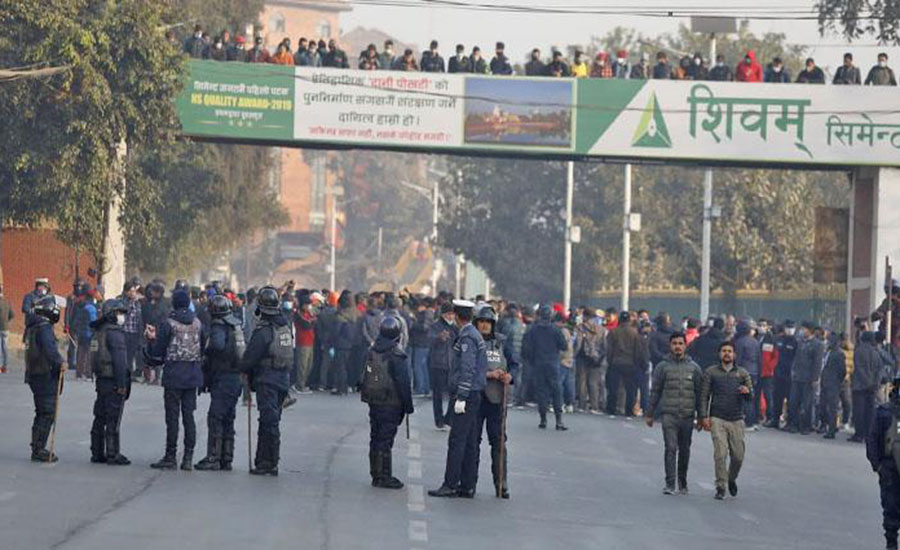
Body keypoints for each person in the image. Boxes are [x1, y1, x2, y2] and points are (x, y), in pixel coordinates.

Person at [428, 300, 488, 498]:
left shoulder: (467, 337)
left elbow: (467, 368)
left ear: (455, 315)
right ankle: (467, 484)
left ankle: (451, 483)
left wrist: (461, 396)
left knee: (457, 440)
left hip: (467, 394)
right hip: (473, 393)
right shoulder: (472, 334)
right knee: (469, 440)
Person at [144, 289, 207, 470]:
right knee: (189, 417)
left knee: (172, 418)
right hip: (192, 376)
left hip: (173, 376)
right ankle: (188, 458)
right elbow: (203, 347)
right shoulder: (198, 324)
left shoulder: (168, 324)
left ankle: (171, 456)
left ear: (174, 304)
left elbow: (158, 352)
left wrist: (151, 339)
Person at [240, 286, 293, 475]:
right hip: (283, 379)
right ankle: (267, 461)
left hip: (267, 380)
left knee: (268, 422)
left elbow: (250, 357)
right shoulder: (285, 327)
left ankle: (267, 462)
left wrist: (243, 369)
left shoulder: (263, 331)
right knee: (273, 420)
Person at [361, 316, 414, 489]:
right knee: (385, 440)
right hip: (391, 402)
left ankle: (375, 474)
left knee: (375, 436)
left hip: (374, 399)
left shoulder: (372, 350)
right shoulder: (397, 355)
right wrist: (408, 406)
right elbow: (403, 382)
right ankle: (384, 476)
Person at [647, 333, 702, 495]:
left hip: (687, 415)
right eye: (674, 343)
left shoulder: (694, 368)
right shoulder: (662, 367)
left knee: (684, 449)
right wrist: (650, 413)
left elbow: (700, 394)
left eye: (680, 343)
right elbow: (655, 391)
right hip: (669, 415)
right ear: (670, 346)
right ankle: (670, 483)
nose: (677, 346)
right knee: (671, 448)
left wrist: (702, 416)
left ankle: (682, 481)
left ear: (685, 345)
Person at [194, 295, 245, 471]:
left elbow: (216, 345)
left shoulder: (219, 325)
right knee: (228, 418)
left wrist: (206, 352)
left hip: (224, 376)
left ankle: (213, 457)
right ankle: (226, 458)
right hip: (235, 377)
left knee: (216, 417)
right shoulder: (236, 325)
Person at [472, 305, 516, 498]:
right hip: (476, 397)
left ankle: (501, 483)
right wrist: (489, 374)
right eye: (481, 322)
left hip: (497, 398)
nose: (484, 325)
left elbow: (514, 364)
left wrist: (510, 376)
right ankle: (469, 483)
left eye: (488, 322)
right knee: (472, 441)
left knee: (498, 442)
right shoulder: (471, 341)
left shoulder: (502, 342)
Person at [700, 341, 752, 500]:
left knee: (738, 456)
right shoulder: (711, 372)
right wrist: (704, 416)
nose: (727, 354)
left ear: (734, 354)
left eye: (730, 351)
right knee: (720, 454)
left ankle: (731, 478)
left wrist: (746, 392)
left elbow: (751, 397)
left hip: (736, 418)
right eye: (724, 351)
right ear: (719, 354)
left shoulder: (742, 373)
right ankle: (720, 486)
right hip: (717, 418)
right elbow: (704, 395)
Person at [24, 296, 67, 462]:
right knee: (47, 412)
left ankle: (37, 446)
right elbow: (50, 349)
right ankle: (39, 448)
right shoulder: (44, 328)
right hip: (44, 374)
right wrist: (60, 362)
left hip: (35, 374)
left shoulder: (32, 326)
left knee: (41, 412)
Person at [89, 299, 131, 465]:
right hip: (113, 379)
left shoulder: (98, 331)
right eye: (119, 313)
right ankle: (113, 453)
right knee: (113, 418)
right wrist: (122, 384)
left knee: (100, 416)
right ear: (112, 314)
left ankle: (97, 452)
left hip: (101, 379)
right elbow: (120, 360)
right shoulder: (115, 333)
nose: (122, 317)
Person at [867, 376, 900, 550]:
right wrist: (878, 466)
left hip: (888, 468)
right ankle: (891, 542)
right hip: (890, 468)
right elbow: (872, 440)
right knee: (891, 508)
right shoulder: (884, 412)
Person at [522, 305, 568, 430]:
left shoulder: (532, 330)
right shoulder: (556, 330)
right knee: (557, 391)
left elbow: (526, 349)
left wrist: (531, 360)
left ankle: (543, 419)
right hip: (553, 363)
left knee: (541, 391)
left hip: (538, 363)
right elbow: (564, 346)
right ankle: (559, 420)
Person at [606, 311, 647, 417]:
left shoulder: (613, 332)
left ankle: (611, 409)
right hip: (630, 363)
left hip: (616, 362)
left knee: (613, 388)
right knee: (630, 389)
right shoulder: (634, 333)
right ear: (629, 320)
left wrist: (609, 361)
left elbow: (609, 349)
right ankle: (629, 411)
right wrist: (638, 363)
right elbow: (638, 350)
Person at [788, 324, 824, 434]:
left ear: (810, 331)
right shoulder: (799, 342)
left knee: (807, 403)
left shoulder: (818, 344)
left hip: (809, 378)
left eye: (804, 329)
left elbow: (817, 363)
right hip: (797, 376)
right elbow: (795, 358)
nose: (802, 331)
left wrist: (815, 378)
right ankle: (794, 424)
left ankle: (806, 426)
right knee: (794, 401)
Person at [429, 302, 458, 430]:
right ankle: (439, 419)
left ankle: (449, 418)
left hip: (453, 365)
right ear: (443, 314)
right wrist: (439, 338)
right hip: (438, 364)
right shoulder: (435, 326)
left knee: (454, 393)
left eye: (452, 314)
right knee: (438, 394)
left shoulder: (456, 328)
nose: (451, 317)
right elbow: (429, 340)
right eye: (448, 314)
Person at [853, 331, 885, 442]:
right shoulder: (876, 352)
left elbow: (859, 368)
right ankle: (868, 434)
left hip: (860, 386)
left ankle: (859, 434)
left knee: (859, 411)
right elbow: (880, 369)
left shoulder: (859, 351)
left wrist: (867, 382)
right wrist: (875, 383)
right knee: (869, 411)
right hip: (873, 387)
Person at [575, 309, 606, 414]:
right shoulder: (601, 329)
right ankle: (594, 406)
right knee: (594, 383)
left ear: (585, 316)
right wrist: (600, 356)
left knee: (582, 382)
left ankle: (582, 405)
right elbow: (604, 345)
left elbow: (578, 343)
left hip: (583, 357)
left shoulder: (580, 327)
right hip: (596, 358)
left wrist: (574, 354)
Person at [769, 320, 798, 428]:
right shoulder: (778, 340)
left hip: (790, 375)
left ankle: (789, 422)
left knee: (790, 400)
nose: (789, 330)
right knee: (777, 398)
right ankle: (775, 419)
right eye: (788, 328)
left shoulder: (796, 342)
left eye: (792, 328)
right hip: (778, 373)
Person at [734, 320, 761, 429]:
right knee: (751, 397)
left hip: (743, 371)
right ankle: (753, 420)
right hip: (754, 372)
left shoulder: (740, 342)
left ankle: (748, 421)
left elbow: (738, 359)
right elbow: (759, 359)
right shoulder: (755, 342)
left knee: (743, 397)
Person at [821, 333, 847, 439]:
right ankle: (824, 424)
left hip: (834, 383)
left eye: (829, 341)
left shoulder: (839, 354)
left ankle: (831, 429)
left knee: (832, 407)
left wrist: (837, 381)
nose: (828, 343)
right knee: (822, 405)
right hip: (825, 382)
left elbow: (843, 370)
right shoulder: (828, 352)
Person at [0, 283, 12, 373]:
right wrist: (7, 321)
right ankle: (5, 366)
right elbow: (12, 314)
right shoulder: (7, 302)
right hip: (6, 328)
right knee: (5, 348)